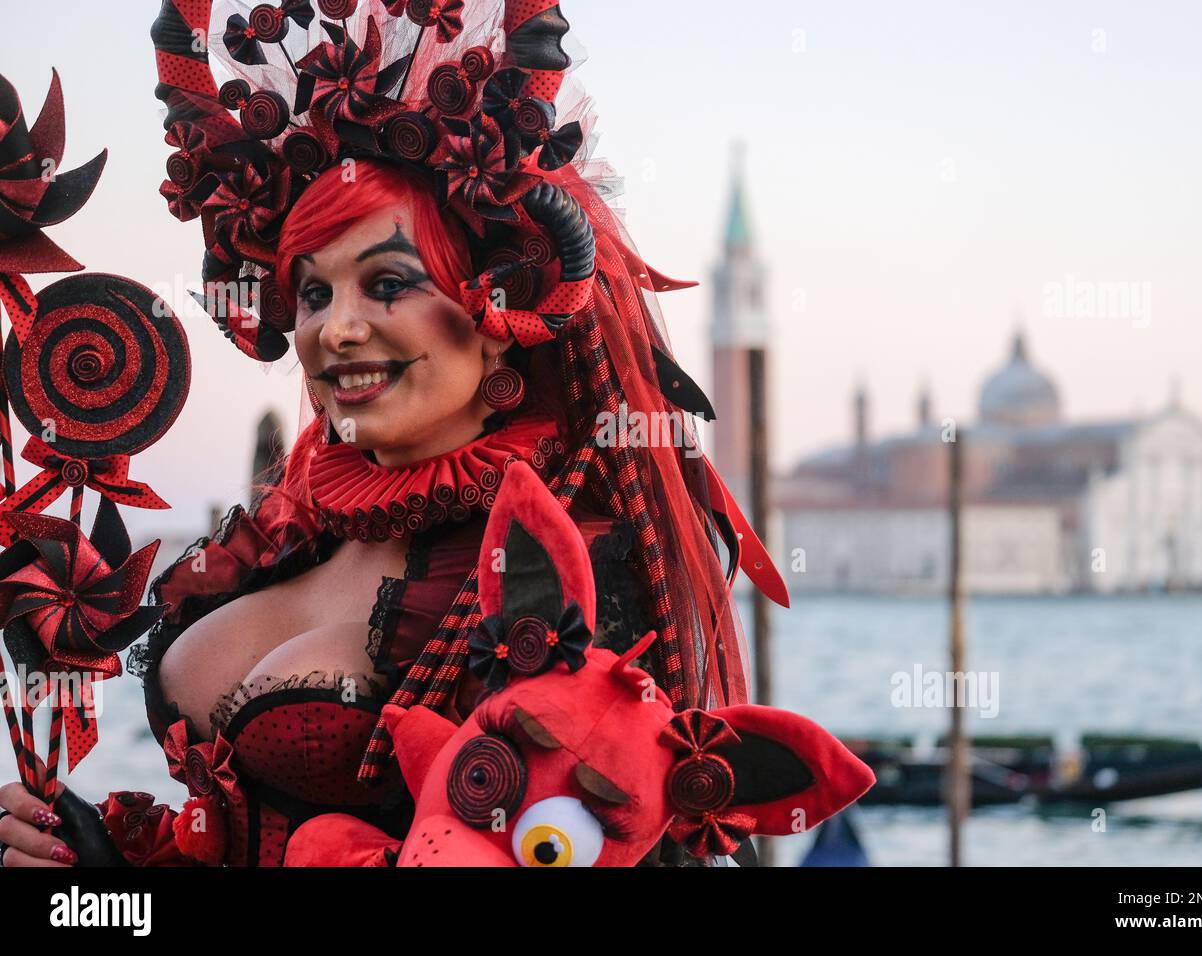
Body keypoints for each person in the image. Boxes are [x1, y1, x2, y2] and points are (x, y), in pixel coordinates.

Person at [0, 0, 770, 867]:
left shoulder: (559, 569)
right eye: (316, 293)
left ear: (498, 310)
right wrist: (86, 871)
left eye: (389, 283)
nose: (335, 330)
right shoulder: (288, 534)